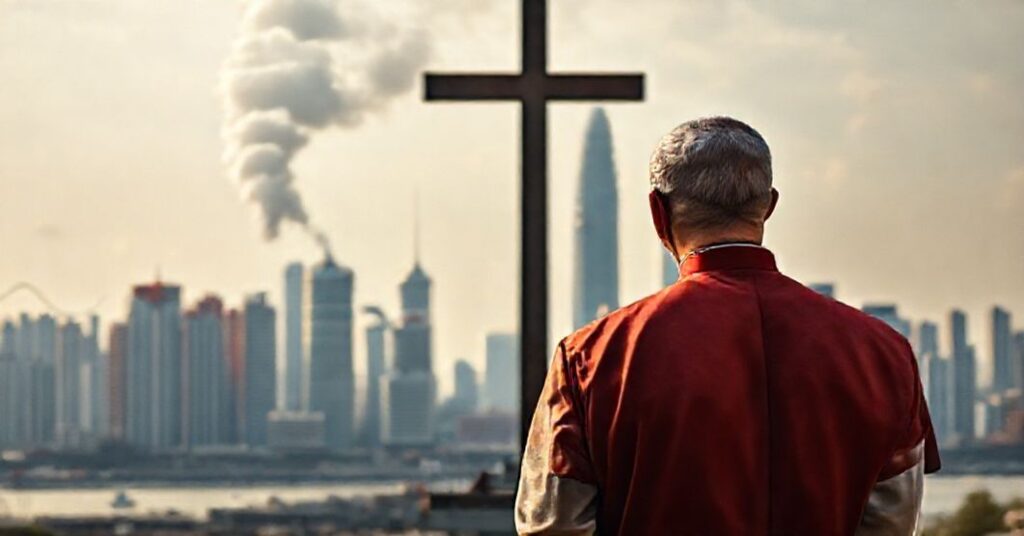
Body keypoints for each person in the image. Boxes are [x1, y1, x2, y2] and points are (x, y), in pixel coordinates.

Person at [514, 117, 940, 535]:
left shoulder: (592, 358)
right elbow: (894, 522)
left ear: (657, 212)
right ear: (768, 206)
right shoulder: (884, 356)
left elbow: (551, 526)